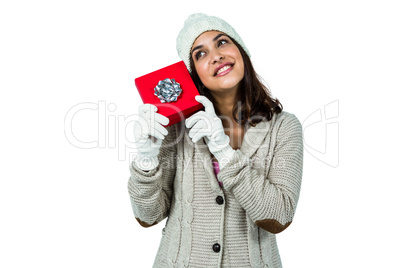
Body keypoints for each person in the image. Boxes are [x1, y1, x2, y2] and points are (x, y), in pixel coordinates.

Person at [128, 13, 304, 268]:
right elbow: (148, 216)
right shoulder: (176, 128)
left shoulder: (284, 127)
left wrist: (224, 151)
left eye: (222, 42)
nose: (216, 56)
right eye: (200, 54)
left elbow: (278, 217)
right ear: (194, 75)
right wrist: (146, 160)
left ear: (241, 51)